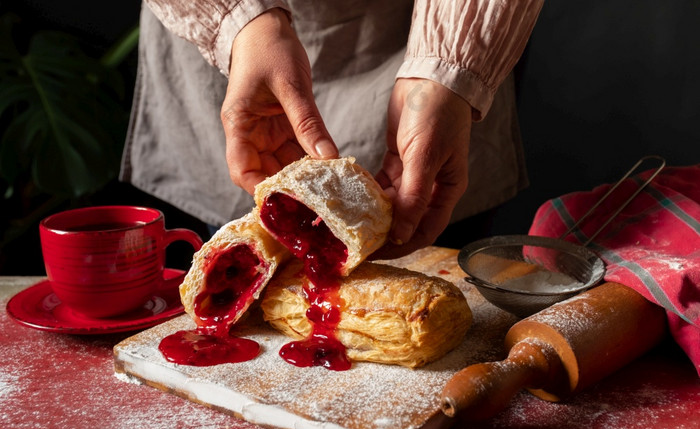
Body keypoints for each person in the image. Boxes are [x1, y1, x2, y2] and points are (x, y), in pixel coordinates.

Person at [120, 0, 543, 258]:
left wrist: (446, 71)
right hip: (222, 44)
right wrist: (241, 25)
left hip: (438, 31)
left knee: (425, 221)